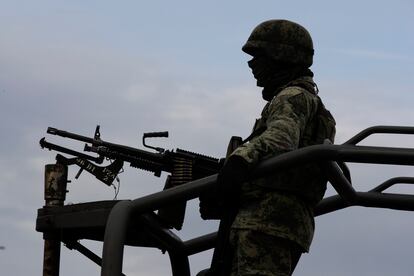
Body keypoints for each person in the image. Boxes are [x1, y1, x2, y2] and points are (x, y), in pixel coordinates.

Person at [217, 19, 336, 276]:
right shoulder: (309, 101)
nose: (252, 64)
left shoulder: (292, 96)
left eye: (258, 55)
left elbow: (281, 139)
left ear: (280, 56)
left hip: (266, 221)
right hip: (279, 221)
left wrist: (239, 161)